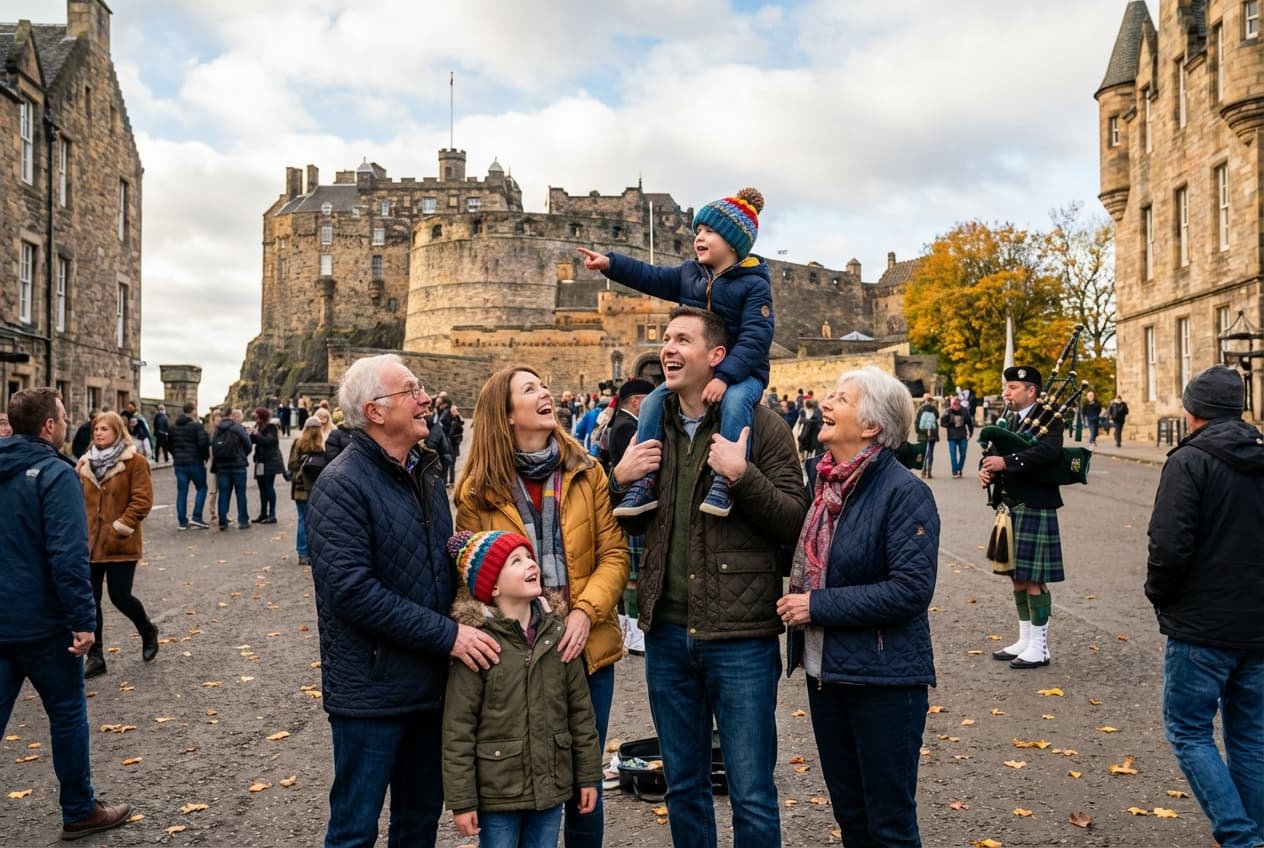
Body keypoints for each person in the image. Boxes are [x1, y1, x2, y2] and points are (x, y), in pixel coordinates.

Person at [611, 306, 809, 848]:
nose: (667, 349)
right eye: (665, 338)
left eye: (682, 340)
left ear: (716, 357)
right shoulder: (650, 426)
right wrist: (616, 479)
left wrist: (742, 477)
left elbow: (796, 517)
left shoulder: (762, 425)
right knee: (683, 785)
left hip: (739, 637)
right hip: (668, 633)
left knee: (750, 790)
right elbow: (602, 519)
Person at [307, 354, 501, 848]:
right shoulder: (340, 483)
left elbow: (434, 561)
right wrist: (449, 635)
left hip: (430, 682)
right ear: (375, 411)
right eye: (411, 391)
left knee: (417, 825)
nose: (424, 399)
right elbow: (352, 592)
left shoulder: (426, 472)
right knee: (354, 829)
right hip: (371, 690)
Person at [455, 365, 630, 848]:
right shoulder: (477, 490)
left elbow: (614, 554)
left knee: (585, 783)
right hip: (517, 659)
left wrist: (583, 611)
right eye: (529, 389)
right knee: (516, 785)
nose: (545, 392)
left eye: (544, 385)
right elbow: (473, 582)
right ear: (506, 415)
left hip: (583, 647)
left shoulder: (586, 470)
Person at [778, 366, 939, 847]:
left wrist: (816, 606)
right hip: (826, 675)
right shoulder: (820, 484)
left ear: (871, 426)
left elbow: (910, 591)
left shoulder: (905, 492)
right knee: (851, 816)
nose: (825, 403)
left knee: (888, 825)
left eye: (841, 399)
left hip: (885, 680)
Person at [580, 187, 770, 518]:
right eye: (698, 230)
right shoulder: (688, 274)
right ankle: (646, 481)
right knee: (653, 400)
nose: (700, 237)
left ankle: (724, 480)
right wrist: (612, 264)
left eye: (710, 231)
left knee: (737, 402)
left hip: (743, 372)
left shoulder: (754, 284)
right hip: (702, 370)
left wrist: (726, 377)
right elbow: (651, 277)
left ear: (733, 242)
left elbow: (756, 337)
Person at [0, 388, 132, 839]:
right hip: (44, 624)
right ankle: (79, 809)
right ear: (49, 426)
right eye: (63, 414)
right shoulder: (55, 475)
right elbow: (67, 554)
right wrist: (84, 620)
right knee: (67, 714)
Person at [1146, 365, 1264, 848]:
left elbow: (1169, 546)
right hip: (1257, 623)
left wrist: (1160, 594)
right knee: (1250, 737)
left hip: (1202, 625)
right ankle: (1252, 832)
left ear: (1193, 411)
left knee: (1190, 732)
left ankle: (1240, 837)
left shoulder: (1190, 461)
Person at [442, 530, 602, 848]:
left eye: (528, 556)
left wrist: (587, 777)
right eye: (516, 560)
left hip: (550, 788)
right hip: (498, 793)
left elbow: (581, 715)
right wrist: (462, 801)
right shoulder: (479, 645)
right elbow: (457, 730)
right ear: (494, 586)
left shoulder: (557, 634)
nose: (530, 563)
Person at [980, 365, 1065, 670]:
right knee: (1016, 575)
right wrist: (987, 468)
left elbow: (1048, 453)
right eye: (1007, 387)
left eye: (1013, 387)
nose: (1006, 392)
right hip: (1010, 504)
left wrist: (1006, 462)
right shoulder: (1009, 419)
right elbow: (993, 451)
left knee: (1034, 578)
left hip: (1035, 503)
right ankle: (1025, 638)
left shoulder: (1049, 419)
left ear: (1031, 390)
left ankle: (1040, 648)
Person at [75, 411, 156, 679]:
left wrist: (122, 525)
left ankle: (147, 630)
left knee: (120, 597)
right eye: (97, 429)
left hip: (121, 543)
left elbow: (142, 500)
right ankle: (96, 656)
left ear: (118, 432)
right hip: (90, 545)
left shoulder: (135, 462)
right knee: (90, 601)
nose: (98, 433)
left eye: (105, 429)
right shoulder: (83, 464)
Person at [287, 417, 326, 566]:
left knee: (302, 519)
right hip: (317, 488)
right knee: (315, 521)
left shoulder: (298, 443)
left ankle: (303, 553)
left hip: (301, 487)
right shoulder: (321, 447)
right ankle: (314, 551)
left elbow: (291, 464)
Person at [168, 401, 210, 529]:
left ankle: (182, 521)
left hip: (180, 464)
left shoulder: (173, 427)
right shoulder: (197, 426)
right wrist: (204, 457)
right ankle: (196, 516)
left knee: (182, 492)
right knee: (202, 488)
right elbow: (203, 444)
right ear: (193, 411)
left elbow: (169, 445)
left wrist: (176, 456)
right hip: (195, 462)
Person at [211, 405, 252, 530]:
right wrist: (242, 455)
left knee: (224, 493)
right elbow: (248, 444)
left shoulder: (217, 430)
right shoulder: (237, 428)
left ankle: (222, 521)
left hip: (222, 467)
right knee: (240, 493)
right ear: (230, 415)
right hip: (238, 465)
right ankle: (243, 520)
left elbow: (213, 446)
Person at [250, 407, 284, 525]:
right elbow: (255, 441)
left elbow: (269, 441)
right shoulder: (258, 427)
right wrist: (250, 435)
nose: (256, 419)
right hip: (260, 462)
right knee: (262, 488)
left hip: (270, 462)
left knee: (269, 487)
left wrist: (256, 435)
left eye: (257, 417)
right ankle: (263, 513)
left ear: (262, 417)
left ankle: (272, 514)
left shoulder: (271, 428)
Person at [940, 394, 974, 479]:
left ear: (959, 403)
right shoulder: (948, 411)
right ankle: (955, 471)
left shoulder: (964, 411)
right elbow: (942, 423)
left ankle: (959, 469)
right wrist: (949, 424)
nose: (955, 406)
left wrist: (970, 433)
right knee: (953, 455)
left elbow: (969, 423)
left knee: (963, 454)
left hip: (962, 435)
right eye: (953, 404)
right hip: (952, 436)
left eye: (956, 403)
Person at [915, 393, 939, 479]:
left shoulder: (920, 409)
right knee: (930, 453)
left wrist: (918, 431)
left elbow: (917, 421)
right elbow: (937, 416)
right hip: (932, 433)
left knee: (923, 452)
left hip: (922, 434)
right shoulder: (933, 409)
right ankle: (929, 471)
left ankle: (923, 471)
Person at [445, 403, 465, 486]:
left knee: (452, 464)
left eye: (455, 410)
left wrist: (459, 415)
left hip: (454, 445)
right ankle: (445, 481)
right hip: (447, 444)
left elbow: (462, 424)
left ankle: (452, 481)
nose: (454, 412)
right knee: (446, 464)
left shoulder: (458, 420)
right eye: (453, 410)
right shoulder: (447, 419)